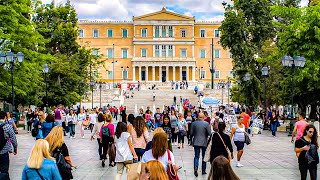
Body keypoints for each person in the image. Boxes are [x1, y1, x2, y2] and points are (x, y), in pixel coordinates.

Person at [190, 112, 211, 177]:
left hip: (196, 141)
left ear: (198, 117)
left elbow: (191, 133)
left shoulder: (193, 123)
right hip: (204, 142)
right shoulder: (206, 124)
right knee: (204, 156)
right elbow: (209, 133)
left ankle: (195, 168)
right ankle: (203, 170)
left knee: (196, 156)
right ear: (203, 117)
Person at [0, 111, 18, 180]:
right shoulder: (7, 126)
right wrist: (15, 148)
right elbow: (13, 139)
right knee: (4, 171)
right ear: (5, 117)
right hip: (4, 153)